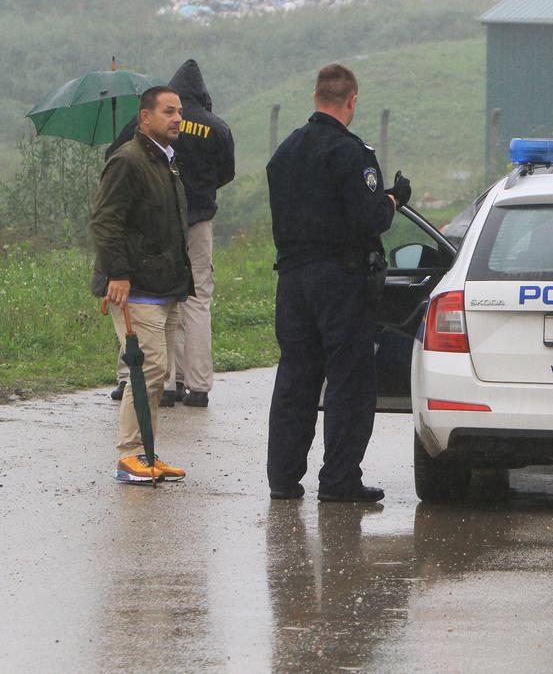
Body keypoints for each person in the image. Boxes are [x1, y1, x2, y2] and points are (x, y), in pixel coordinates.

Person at [265, 64, 411, 502]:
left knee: (295, 377)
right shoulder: (352, 153)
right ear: (352, 100)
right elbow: (370, 219)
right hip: (340, 280)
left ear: (315, 97)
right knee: (349, 379)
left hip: (292, 281)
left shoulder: (285, 152)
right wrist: (392, 199)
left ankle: (283, 479)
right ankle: (339, 479)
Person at [108, 59, 235, 408]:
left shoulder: (144, 122)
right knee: (196, 300)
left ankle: (146, 380)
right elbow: (226, 173)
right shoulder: (217, 128)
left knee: (150, 293)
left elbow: (114, 156)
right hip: (199, 221)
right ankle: (196, 385)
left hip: (155, 222)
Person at [90, 86, 195, 483]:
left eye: (179, 112)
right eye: (168, 112)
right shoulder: (128, 161)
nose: (177, 119)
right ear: (144, 117)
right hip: (136, 289)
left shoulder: (165, 161)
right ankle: (129, 454)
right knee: (146, 370)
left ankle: (147, 454)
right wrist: (117, 273)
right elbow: (105, 221)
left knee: (157, 373)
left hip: (165, 287)